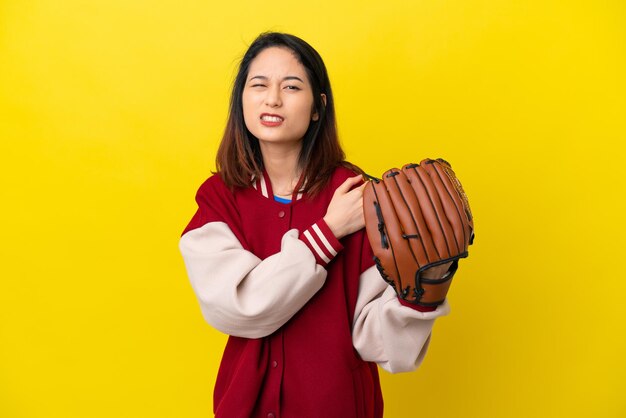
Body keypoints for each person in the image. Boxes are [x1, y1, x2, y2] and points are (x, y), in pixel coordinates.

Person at [179, 32, 450, 418]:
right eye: (259, 85)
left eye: (291, 86)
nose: (272, 99)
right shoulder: (219, 198)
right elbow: (239, 307)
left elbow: (381, 344)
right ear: (242, 100)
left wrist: (427, 286)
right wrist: (326, 234)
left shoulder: (358, 196)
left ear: (318, 106)